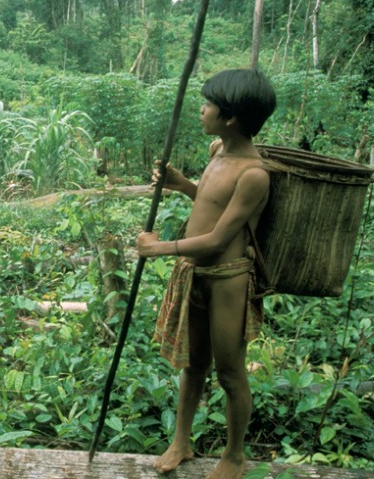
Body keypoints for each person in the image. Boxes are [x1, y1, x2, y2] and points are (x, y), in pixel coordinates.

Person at [136, 68, 276, 479]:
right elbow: (210, 201)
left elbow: (218, 239)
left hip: (227, 280)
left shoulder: (253, 174)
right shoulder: (219, 152)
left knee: (231, 372)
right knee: (193, 364)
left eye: (209, 104)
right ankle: (181, 440)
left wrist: (158, 248)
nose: (202, 109)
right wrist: (183, 185)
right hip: (195, 276)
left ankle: (234, 456)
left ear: (231, 117)